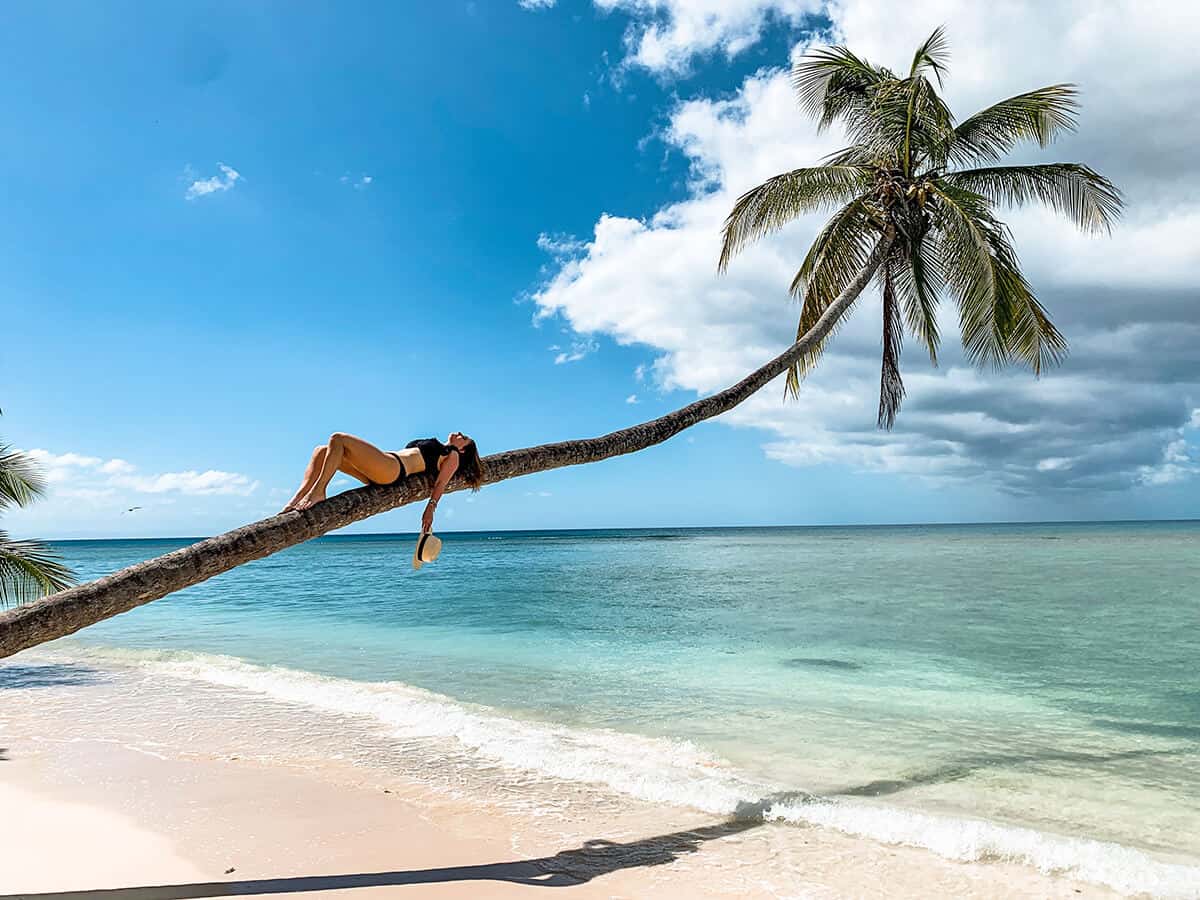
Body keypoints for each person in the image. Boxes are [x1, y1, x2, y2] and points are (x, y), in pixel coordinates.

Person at [281, 432, 484, 531]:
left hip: (392, 469)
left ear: (463, 448)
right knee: (321, 450)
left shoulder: (453, 454)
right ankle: (297, 498)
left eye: (463, 437)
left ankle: (319, 492)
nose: (458, 434)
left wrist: (430, 508)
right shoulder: (441, 447)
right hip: (383, 468)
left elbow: (441, 483)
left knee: (338, 438)